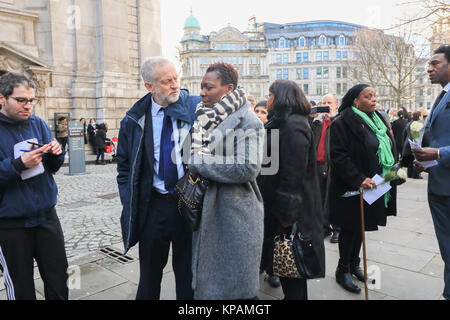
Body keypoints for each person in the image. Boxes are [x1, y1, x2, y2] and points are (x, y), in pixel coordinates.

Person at [116, 57, 200, 300]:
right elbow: (123, 166)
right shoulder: (133, 119)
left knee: (189, 277)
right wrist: (128, 198)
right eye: (166, 81)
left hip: (190, 204)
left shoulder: (195, 108)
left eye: (176, 78)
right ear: (149, 86)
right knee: (149, 276)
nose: (175, 85)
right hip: (155, 206)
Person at [188, 62, 264, 300]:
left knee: (236, 290)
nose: (202, 92)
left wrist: (198, 162)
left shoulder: (249, 122)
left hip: (234, 214)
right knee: (207, 288)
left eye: (208, 87)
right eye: (201, 87)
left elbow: (246, 167)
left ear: (228, 89)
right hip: (205, 210)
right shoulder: (202, 118)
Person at [0, 72, 68, 300]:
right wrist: (18, 164)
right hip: (10, 224)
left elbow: (53, 168)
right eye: (21, 100)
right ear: (2, 98)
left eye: (31, 100)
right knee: (22, 289)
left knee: (59, 280)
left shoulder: (38, 123)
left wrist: (56, 153)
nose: (28, 106)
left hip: (47, 216)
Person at [329, 84, 401, 294]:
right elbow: (339, 156)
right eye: (368, 96)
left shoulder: (378, 118)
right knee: (350, 228)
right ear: (355, 101)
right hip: (353, 186)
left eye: (374, 96)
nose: (373, 100)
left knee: (362, 227)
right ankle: (342, 270)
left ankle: (354, 265)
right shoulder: (342, 122)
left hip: (376, 184)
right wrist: (359, 178)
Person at [258, 80, 325, 300]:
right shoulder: (283, 122)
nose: (268, 100)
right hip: (281, 209)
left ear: (281, 97)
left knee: (293, 268)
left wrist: (286, 216)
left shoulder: (293, 125)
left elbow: (292, 174)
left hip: (290, 214)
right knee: (288, 269)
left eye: (270, 95)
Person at [413, 45, 450, 300]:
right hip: (439, 185)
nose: (429, 68)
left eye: (435, 63)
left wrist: (437, 155)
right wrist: (427, 160)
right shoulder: (442, 95)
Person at [311, 93, 340, 243]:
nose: (327, 105)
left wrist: (333, 117)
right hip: (317, 164)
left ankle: (337, 228)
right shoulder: (317, 121)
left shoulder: (339, 121)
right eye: (324, 102)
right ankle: (324, 227)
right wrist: (311, 116)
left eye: (330, 102)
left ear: (336, 105)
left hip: (333, 165)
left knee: (333, 198)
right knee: (320, 198)